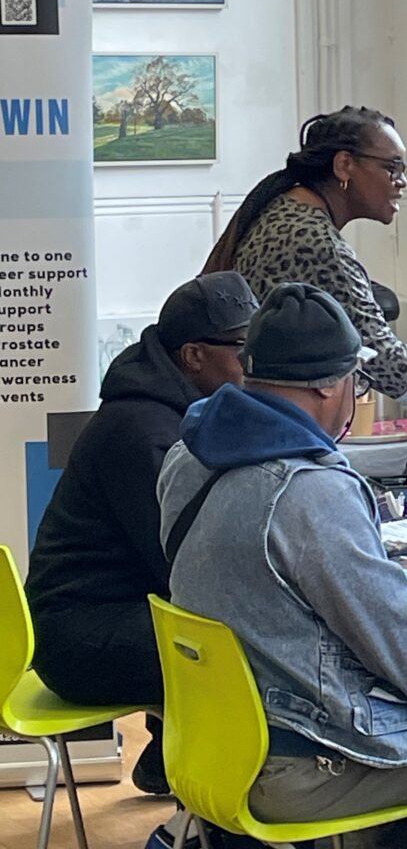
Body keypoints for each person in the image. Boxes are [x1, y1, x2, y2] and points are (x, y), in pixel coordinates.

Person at [158, 283, 407, 849]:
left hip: (211, 745)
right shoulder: (310, 489)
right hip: (295, 761)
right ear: (330, 383)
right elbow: (390, 632)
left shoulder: (187, 456)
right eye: (358, 378)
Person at [25, 271, 258, 795]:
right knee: (257, 649)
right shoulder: (144, 431)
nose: (254, 360)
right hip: (78, 639)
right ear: (194, 355)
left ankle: (182, 767)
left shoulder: (174, 412)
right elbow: (182, 563)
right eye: (244, 346)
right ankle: (213, 791)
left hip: (113, 616)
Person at [202, 106, 407, 427]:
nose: (402, 182)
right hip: (273, 423)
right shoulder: (313, 241)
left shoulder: (282, 211)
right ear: (344, 164)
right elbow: (386, 363)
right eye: (392, 168)